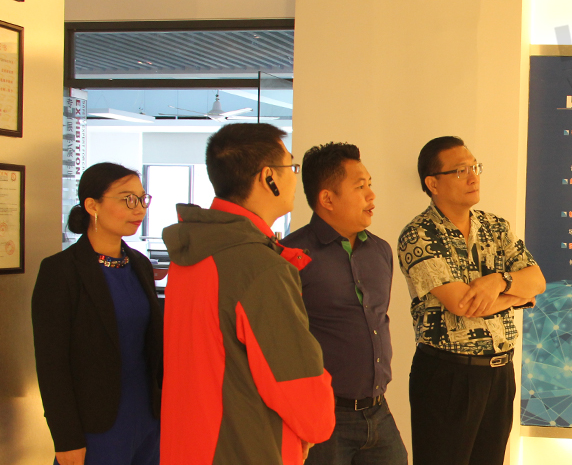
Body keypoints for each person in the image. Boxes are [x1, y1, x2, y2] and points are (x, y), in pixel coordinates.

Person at [160, 123, 335, 465]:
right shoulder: (259, 268)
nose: (295, 179)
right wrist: (313, 425)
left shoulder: (191, 253)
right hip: (246, 447)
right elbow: (300, 389)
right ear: (269, 177)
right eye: (291, 167)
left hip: (189, 445)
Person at [397, 136, 546, 465]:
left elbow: (537, 281)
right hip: (447, 376)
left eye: (475, 167)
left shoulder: (496, 227)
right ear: (433, 184)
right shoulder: (419, 234)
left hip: (500, 373)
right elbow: (462, 306)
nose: (473, 177)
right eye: (460, 170)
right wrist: (517, 297)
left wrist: (499, 281)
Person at [281, 143, 407, 465]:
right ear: (327, 199)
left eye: (370, 184)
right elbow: (283, 344)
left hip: (378, 410)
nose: (371, 195)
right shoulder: (291, 255)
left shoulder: (380, 250)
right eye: (360, 186)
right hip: (325, 416)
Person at [32, 162, 163, 465]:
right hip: (96, 426)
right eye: (127, 199)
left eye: (142, 198)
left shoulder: (140, 265)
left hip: (148, 418)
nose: (139, 209)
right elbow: (52, 365)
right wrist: (66, 438)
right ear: (93, 205)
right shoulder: (60, 271)